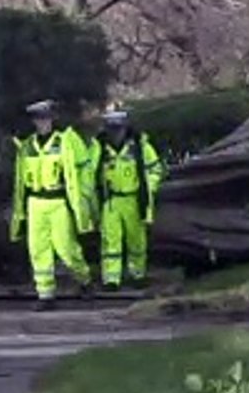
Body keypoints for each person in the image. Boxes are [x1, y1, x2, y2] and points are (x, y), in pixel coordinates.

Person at [11, 100, 95, 310]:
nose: (42, 123)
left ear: (53, 119)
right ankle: (46, 295)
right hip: (35, 202)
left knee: (66, 248)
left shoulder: (66, 140)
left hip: (58, 201)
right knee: (38, 250)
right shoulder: (28, 145)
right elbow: (20, 181)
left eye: (45, 118)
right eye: (38, 119)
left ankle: (85, 280)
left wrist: (83, 196)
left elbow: (85, 168)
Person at [91, 108, 164, 290]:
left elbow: (155, 169)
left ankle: (137, 275)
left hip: (133, 199)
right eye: (112, 130)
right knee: (110, 242)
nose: (116, 133)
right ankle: (111, 279)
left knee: (136, 240)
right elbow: (90, 173)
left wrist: (149, 188)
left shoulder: (140, 146)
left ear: (125, 128)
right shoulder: (99, 147)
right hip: (111, 201)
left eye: (119, 129)